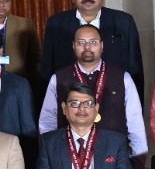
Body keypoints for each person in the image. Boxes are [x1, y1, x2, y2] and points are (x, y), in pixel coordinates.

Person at [38, 25, 148, 158]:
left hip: (113, 157)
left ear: (102, 45)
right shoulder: (59, 78)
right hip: (69, 157)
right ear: (73, 45)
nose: (87, 47)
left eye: (93, 42)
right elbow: (47, 121)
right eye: (81, 42)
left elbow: (135, 122)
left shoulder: (122, 77)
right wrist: (51, 155)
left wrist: (138, 161)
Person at [41, 0, 145, 100]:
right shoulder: (56, 23)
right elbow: (47, 68)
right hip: (70, 100)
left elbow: (135, 68)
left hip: (113, 98)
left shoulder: (123, 21)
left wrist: (137, 106)